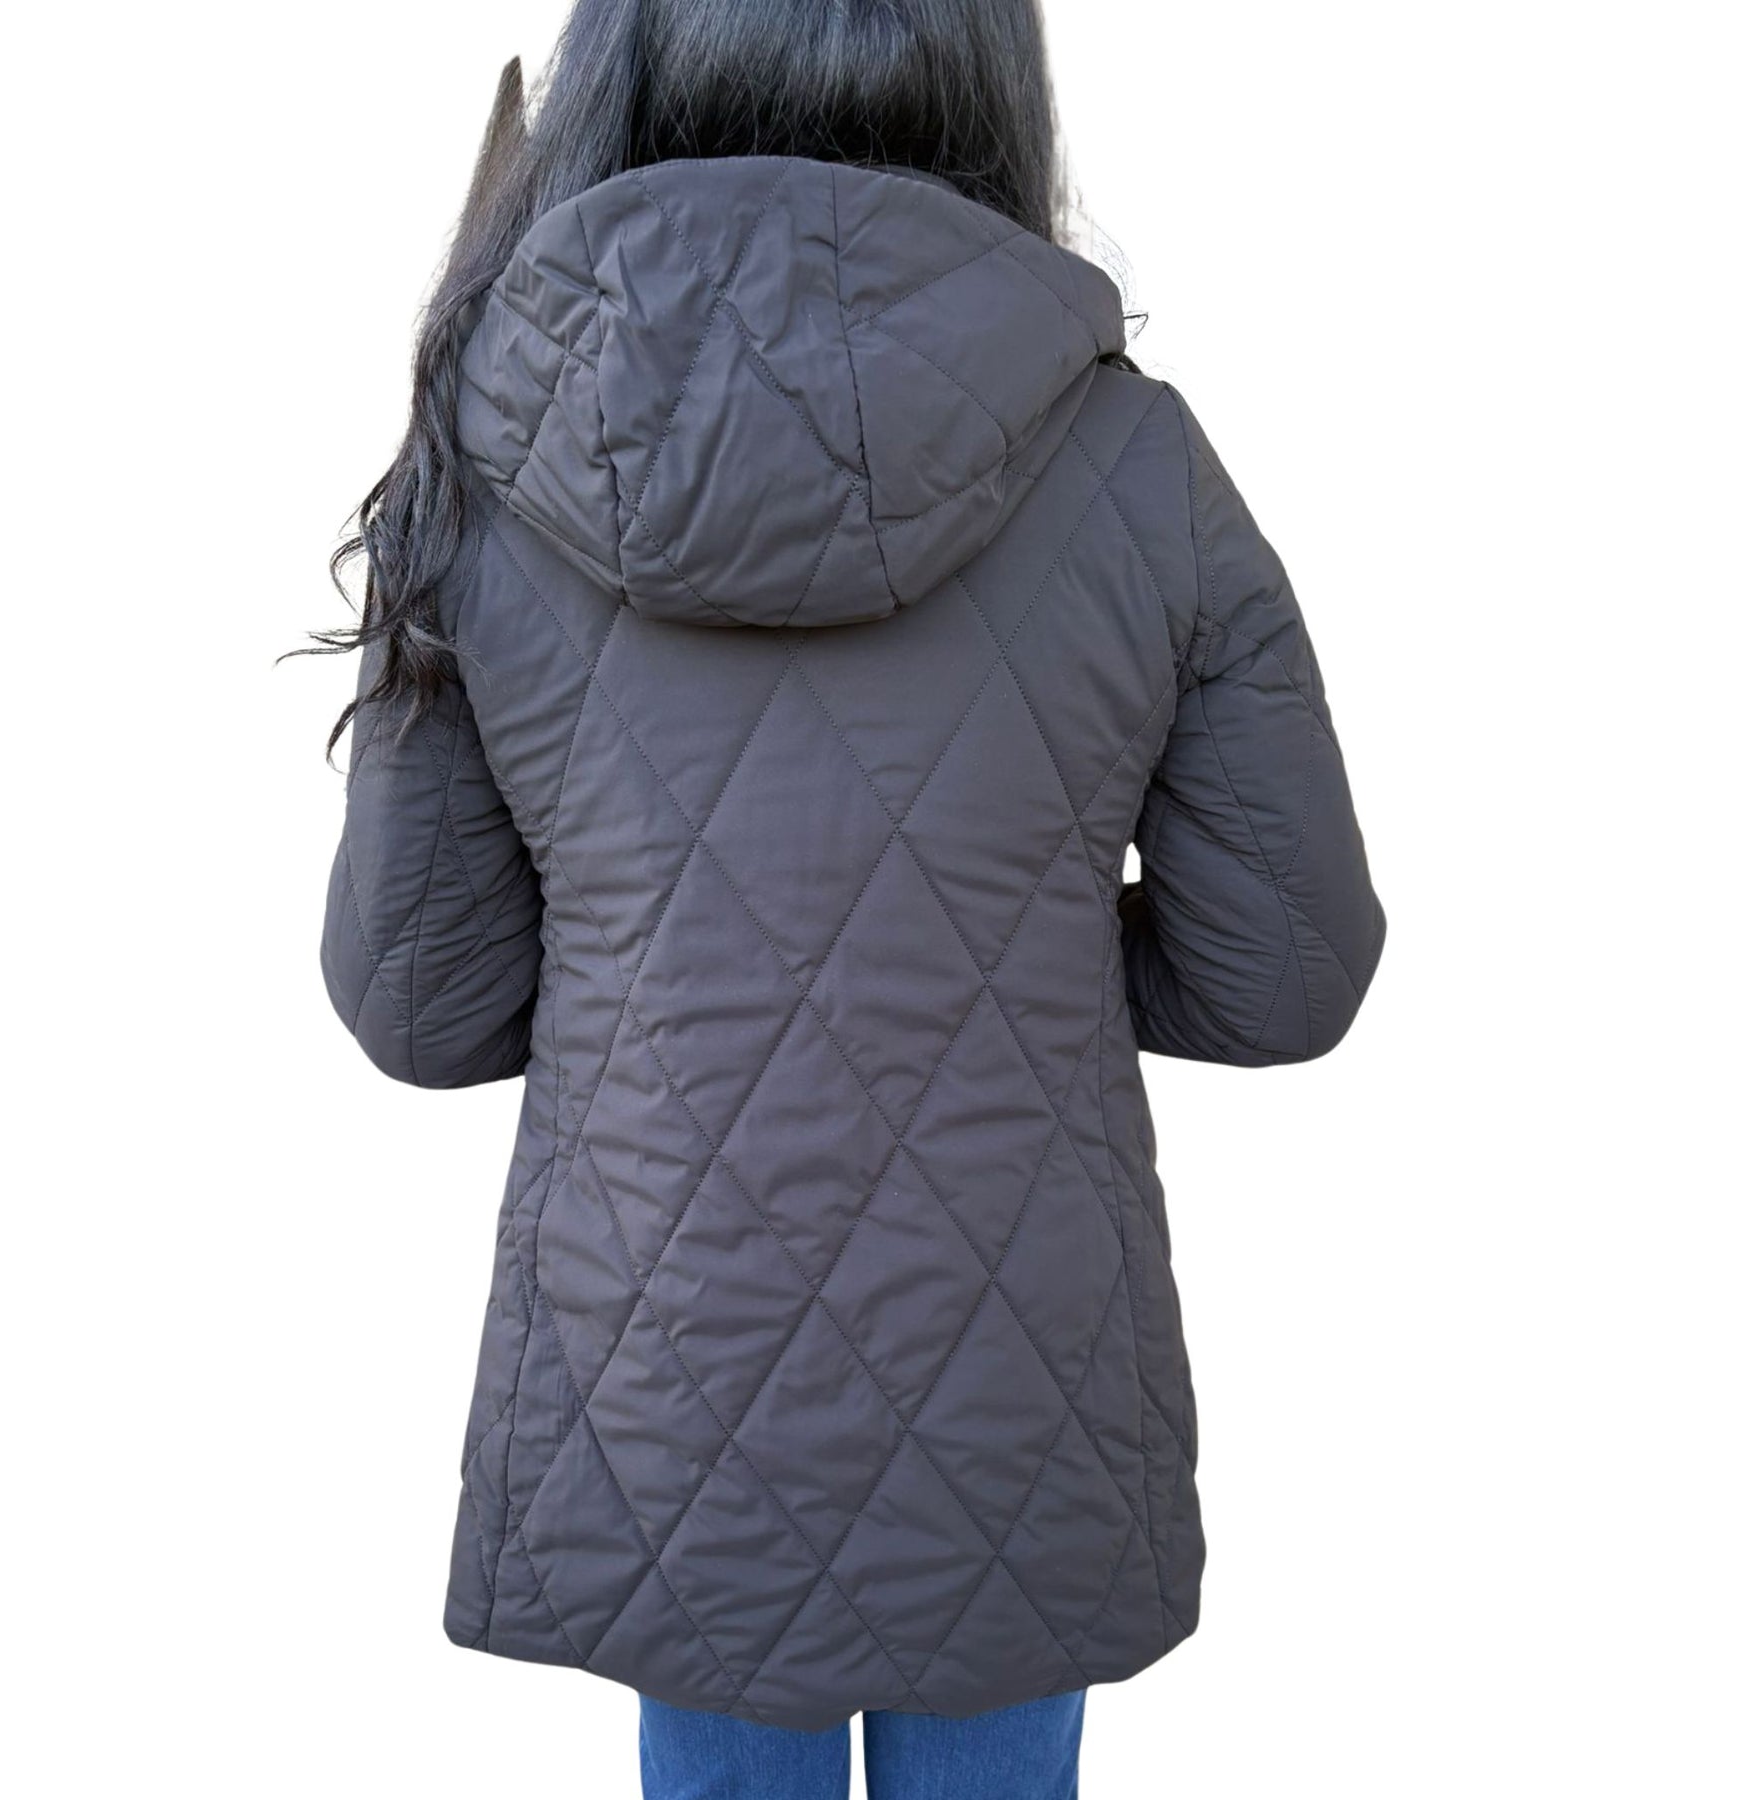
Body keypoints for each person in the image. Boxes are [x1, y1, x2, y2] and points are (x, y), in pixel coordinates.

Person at [312, 2, 1385, 1793]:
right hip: (1016, 1392)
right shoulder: (1138, 463)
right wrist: (1023, 951)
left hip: (673, 1391)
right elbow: (1287, 967)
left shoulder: (490, 454)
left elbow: (422, 1003)